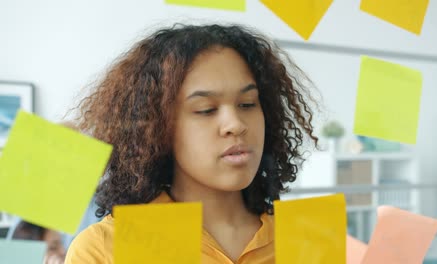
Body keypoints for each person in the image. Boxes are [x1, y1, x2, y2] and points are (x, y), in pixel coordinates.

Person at [65, 24, 319, 264]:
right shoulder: (104, 248)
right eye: (206, 109)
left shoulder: (308, 239)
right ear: (156, 127)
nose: (236, 124)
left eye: (247, 104)